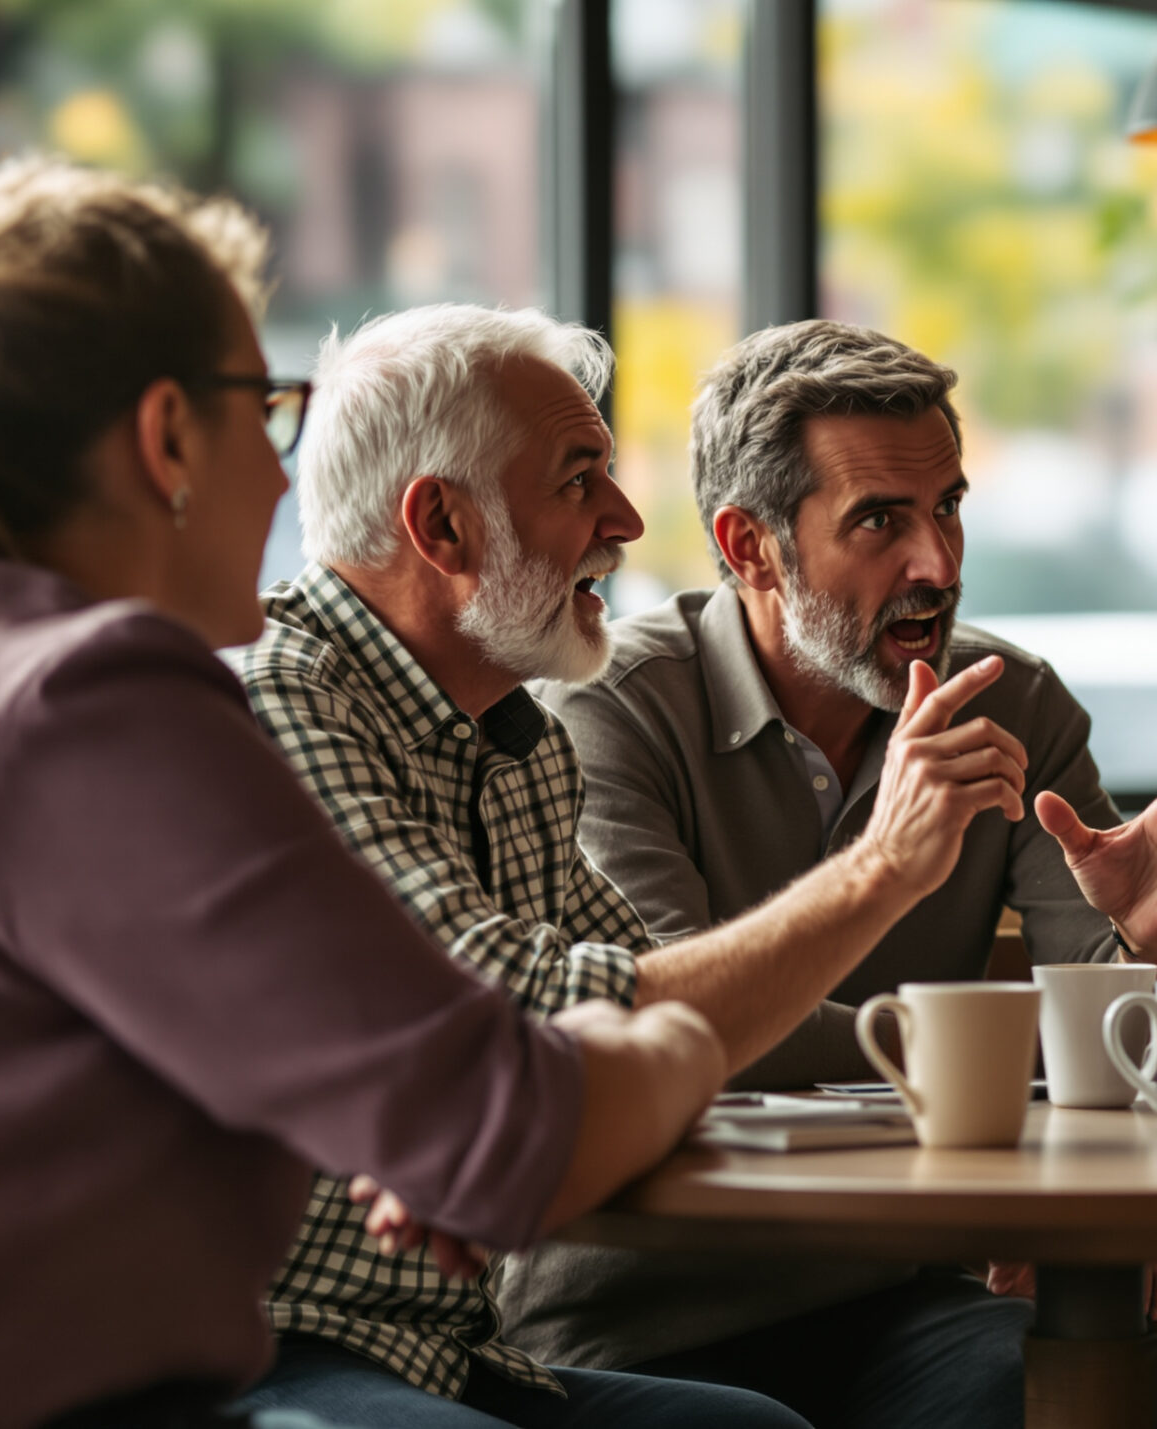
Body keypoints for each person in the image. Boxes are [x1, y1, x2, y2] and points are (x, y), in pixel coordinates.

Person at [0, 159, 785, 1429]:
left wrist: (464, 1115)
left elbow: (450, 1118)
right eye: (271, 407)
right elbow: (509, 1139)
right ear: (169, 439)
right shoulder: (79, 699)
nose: (286, 476)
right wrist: (669, 1046)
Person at [229, 304, 1056, 1427]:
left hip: (446, 1345)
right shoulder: (276, 705)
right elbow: (517, 1016)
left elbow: (644, 1016)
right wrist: (885, 869)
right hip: (266, 1343)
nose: (623, 519)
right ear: (443, 524)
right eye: (579, 482)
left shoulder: (514, 744)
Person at [497, 319, 1157, 1429]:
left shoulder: (1012, 701)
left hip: (898, 1295)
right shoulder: (606, 710)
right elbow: (677, 1022)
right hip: (645, 1309)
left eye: (949, 507)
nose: (939, 565)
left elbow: (1142, 1047)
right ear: (749, 546)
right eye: (881, 521)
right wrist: (1008, 1124)